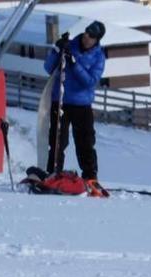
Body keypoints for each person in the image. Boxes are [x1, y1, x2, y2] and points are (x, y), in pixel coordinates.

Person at [43, 21, 106, 186]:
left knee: (85, 142)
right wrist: (56, 49)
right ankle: (53, 174)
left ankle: (90, 178)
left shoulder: (99, 56)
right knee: (57, 142)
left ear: (96, 40)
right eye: (86, 33)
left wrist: (74, 64)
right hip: (61, 101)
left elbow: (90, 82)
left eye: (91, 36)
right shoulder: (69, 46)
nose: (87, 38)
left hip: (82, 104)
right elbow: (49, 68)